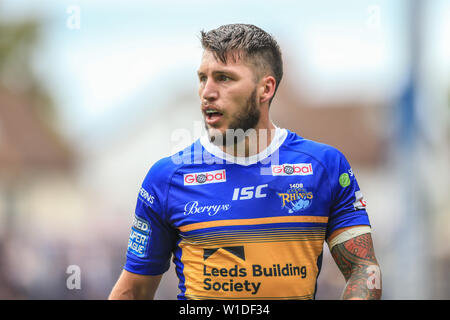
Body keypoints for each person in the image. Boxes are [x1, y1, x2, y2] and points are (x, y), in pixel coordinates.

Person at [108, 24, 382, 300]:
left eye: (224, 78)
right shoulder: (167, 177)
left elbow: (363, 269)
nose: (207, 92)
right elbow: (133, 290)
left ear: (265, 88)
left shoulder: (324, 166)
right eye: (203, 78)